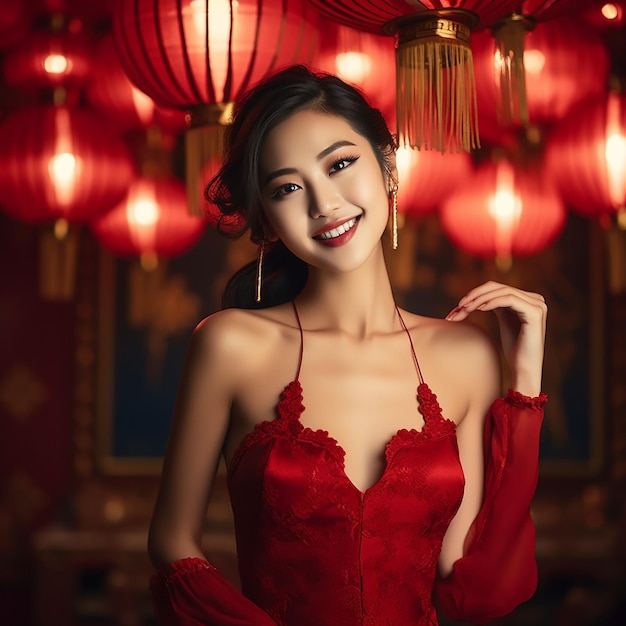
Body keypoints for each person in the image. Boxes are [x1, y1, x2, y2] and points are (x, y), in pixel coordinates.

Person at [147, 65, 548, 626]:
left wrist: (524, 388)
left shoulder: (468, 355)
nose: (324, 203)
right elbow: (172, 547)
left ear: (387, 166)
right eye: (287, 187)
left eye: (340, 164)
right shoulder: (230, 345)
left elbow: (473, 589)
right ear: (264, 221)